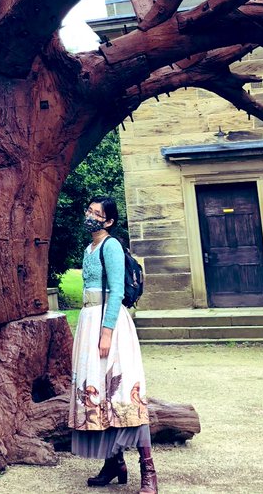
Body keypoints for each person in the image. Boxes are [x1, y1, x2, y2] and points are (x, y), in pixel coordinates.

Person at [69, 196, 157, 491]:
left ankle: (148, 472)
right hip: (89, 319)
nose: (90, 216)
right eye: (89, 210)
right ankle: (113, 462)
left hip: (111, 324)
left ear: (108, 221)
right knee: (98, 388)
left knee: (122, 390)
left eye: (97, 213)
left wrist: (106, 332)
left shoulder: (112, 246)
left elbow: (116, 291)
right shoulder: (88, 248)